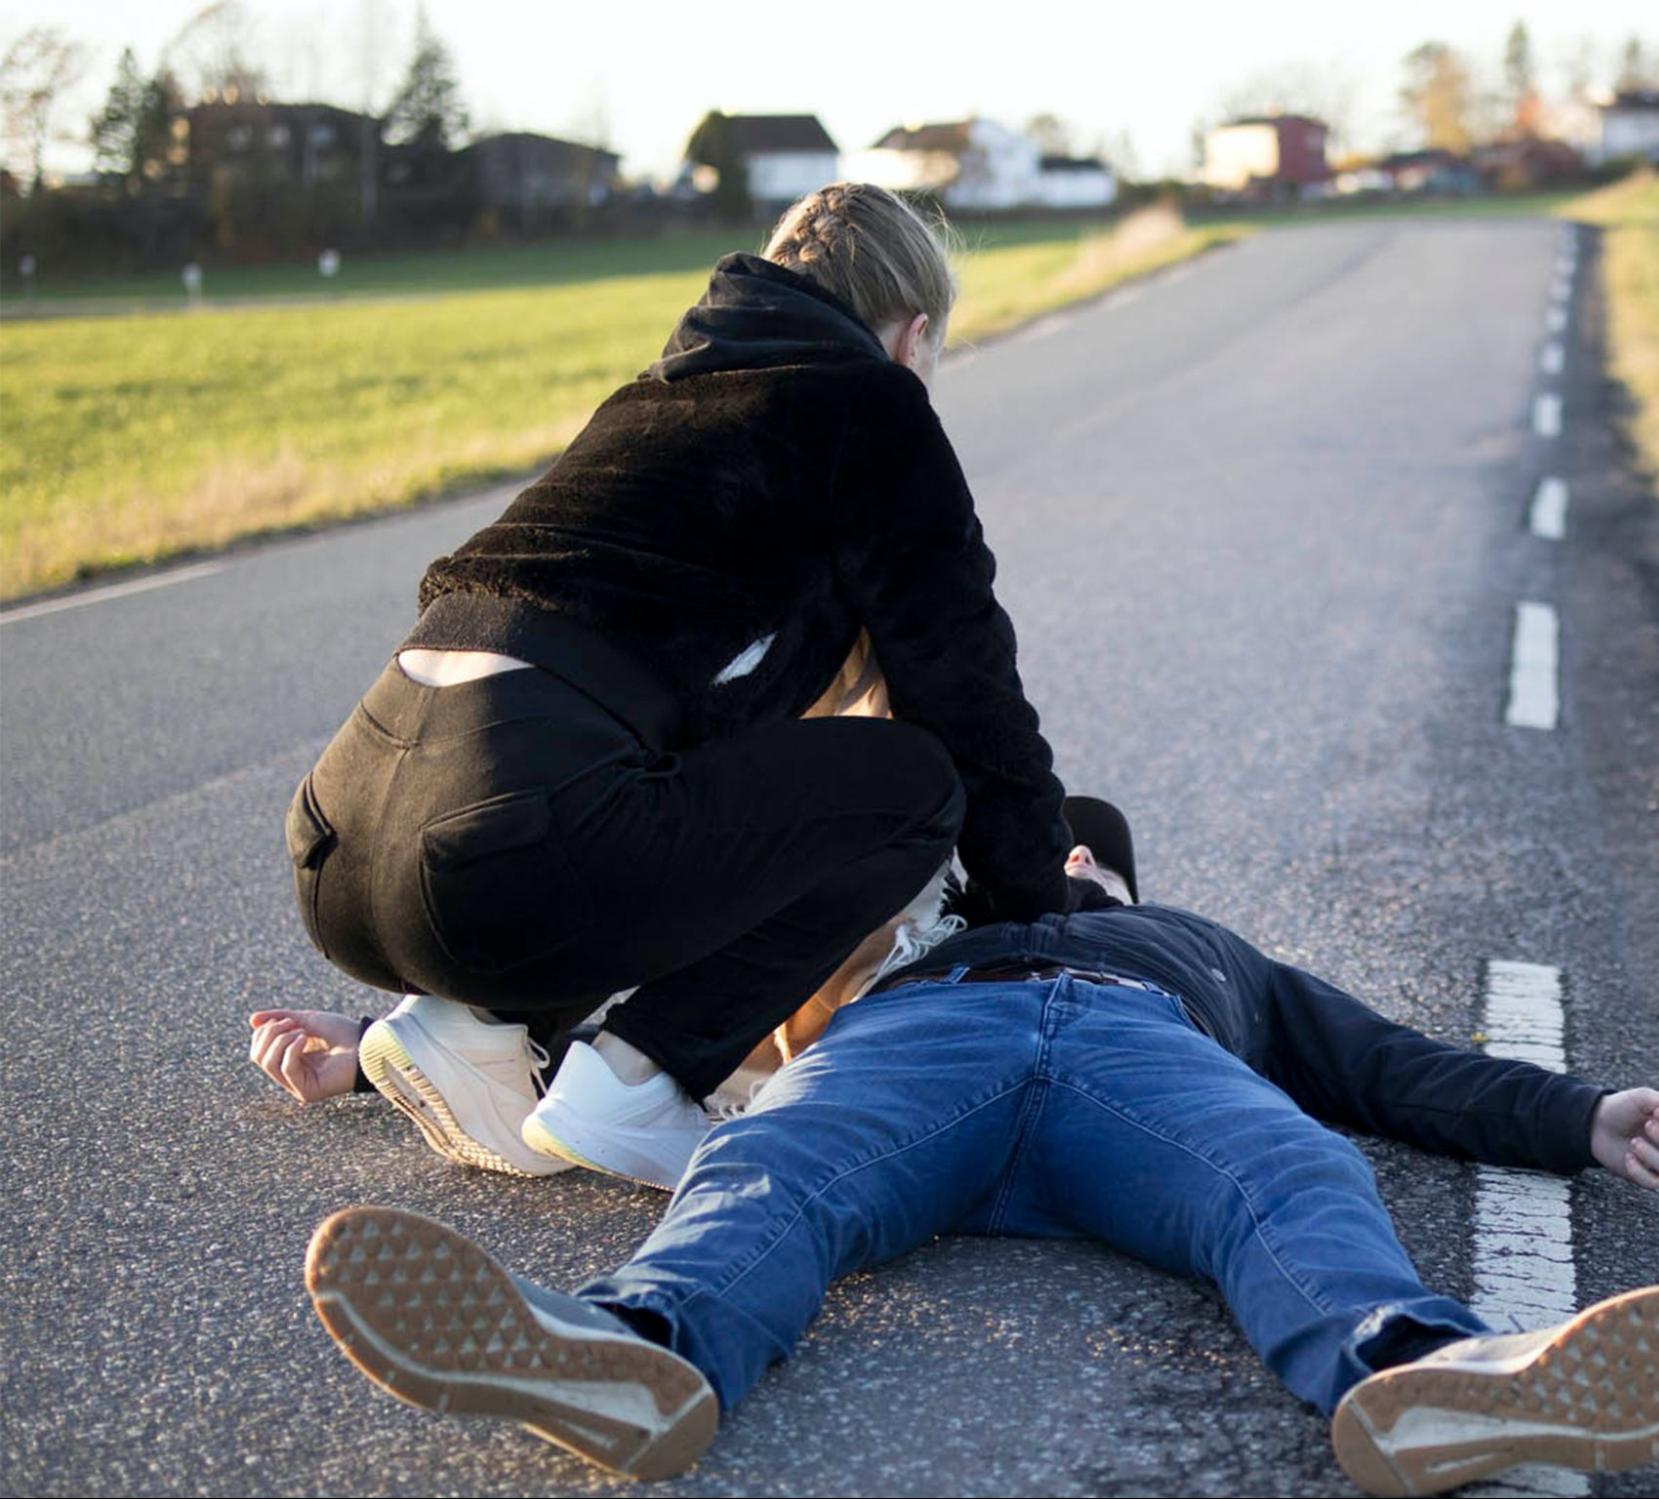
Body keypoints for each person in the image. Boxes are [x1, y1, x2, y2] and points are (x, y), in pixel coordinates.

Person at [300, 813, 1659, 1497]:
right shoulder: (900, 944)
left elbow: (1386, 1068)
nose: (1057, 861)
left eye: (1082, 850)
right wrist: (375, 1047)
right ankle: (638, 1344)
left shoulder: (1198, 950)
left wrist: (1578, 1111)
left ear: (1122, 875)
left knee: (1295, 1167)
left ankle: (1415, 1370)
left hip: (1140, 1068)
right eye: (1032, 845)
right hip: (919, 1049)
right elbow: (642, 1001)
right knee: (770, 1161)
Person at [279, 183, 1093, 1192]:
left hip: (342, 845)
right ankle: (638, 1077)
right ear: (913, 334)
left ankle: (463, 1021)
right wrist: (1039, 907)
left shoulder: (646, 402)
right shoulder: (871, 403)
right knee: (917, 783)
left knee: (654, 789)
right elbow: (970, 695)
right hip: (500, 849)